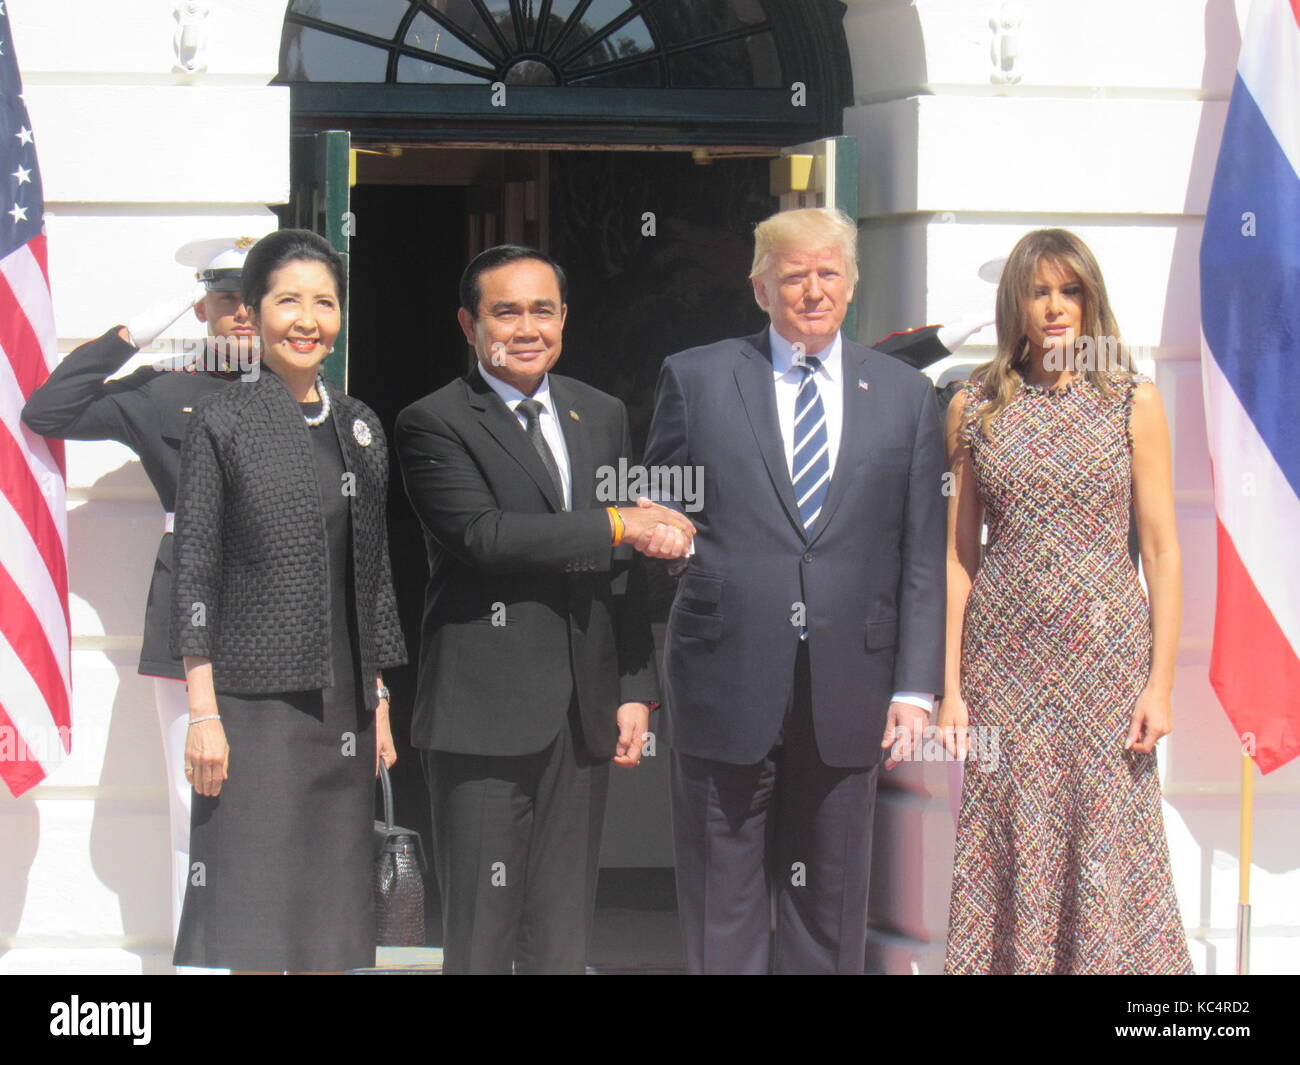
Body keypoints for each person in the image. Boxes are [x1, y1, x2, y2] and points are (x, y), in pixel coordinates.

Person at [642, 207, 947, 974]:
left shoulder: (908, 397)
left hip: (853, 685)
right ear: (759, 287)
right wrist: (681, 557)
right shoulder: (698, 375)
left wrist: (915, 686)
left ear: (851, 283)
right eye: (793, 274)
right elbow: (659, 511)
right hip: (723, 675)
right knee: (723, 901)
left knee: (831, 903)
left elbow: (920, 552)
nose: (812, 290)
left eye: (828, 272)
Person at [394, 245, 692, 974]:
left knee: (562, 932)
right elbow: (485, 536)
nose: (526, 327)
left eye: (541, 309)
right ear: (469, 323)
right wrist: (621, 520)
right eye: (505, 311)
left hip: (582, 712)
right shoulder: (433, 421)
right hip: (484, 714)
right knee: (483, 928)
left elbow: (616, 572)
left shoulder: (602, 411)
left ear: (563, 317)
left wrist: (634, 687)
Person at [938, 227, 1192, 974]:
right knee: (1006, 839)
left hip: (1108, 667)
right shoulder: (973, 405)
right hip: (1003, 669)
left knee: (1108, 839)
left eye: (1070, 290)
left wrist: (1161, 683)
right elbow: (958, 555)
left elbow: (1163, 548)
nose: (1055, 307)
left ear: (1091, 300)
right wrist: (950, 688)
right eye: (1039, 290)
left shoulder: (1131, 401)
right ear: (1014, 301)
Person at [169, 228, 407, 973]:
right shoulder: (223, 421)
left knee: (328, 925)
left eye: (324, 302)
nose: (308, 319)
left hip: (341, 709)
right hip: (252, 707)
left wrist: (379, 695)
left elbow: (374, 571)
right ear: (256, 310)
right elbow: (196, 567)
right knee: (256, 915)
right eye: (288, 301)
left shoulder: (361, 424)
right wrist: (203, 710)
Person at [20, 236, 258, 962]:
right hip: (190, 612)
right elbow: (48, 409)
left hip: (289, 612)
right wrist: (154, 321)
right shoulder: (164, 389)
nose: (243, 314)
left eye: (257, 297)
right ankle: (203, 962)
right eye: (226, 298)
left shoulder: (306, 392)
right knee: (197, 803)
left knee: (279, 800)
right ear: (205, 305)